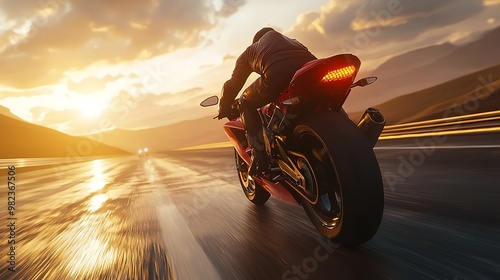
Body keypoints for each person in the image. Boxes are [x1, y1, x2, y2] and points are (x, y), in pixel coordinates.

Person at [218, 27, 316, 175]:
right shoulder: (294, 42)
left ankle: (259, 155)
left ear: (256, 42)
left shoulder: (250, 51)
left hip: (277, 72)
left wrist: (224, 107)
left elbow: (232, 85)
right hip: (311, 69)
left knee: (245, 100)